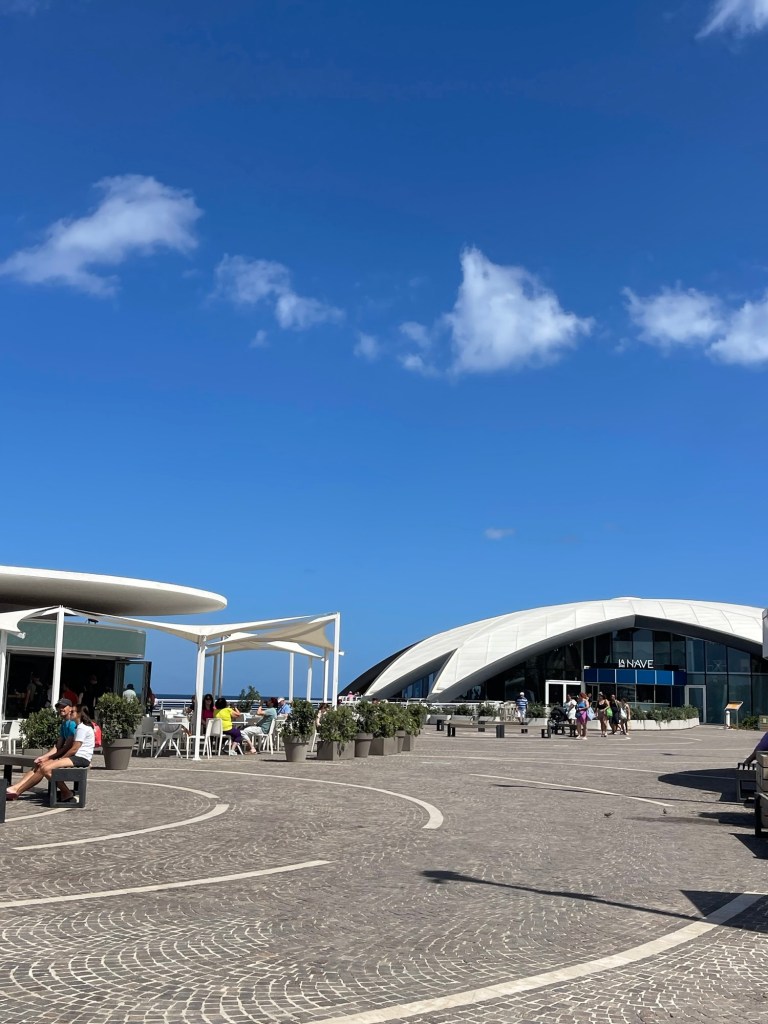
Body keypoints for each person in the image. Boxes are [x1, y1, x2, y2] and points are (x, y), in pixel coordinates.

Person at [6, 698, 78, 801]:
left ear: (70, 708)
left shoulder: (72, 724)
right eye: (59, 707)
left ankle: (18, 791)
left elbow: (68, 747)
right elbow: (58, 746)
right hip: (63, 755)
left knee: (43, 767)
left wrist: (49, 758)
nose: (61, 709)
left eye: (63, 706)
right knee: (39, 763)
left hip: (70, 757)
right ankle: (16, 788)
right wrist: (43, 757)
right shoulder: (64, 724)